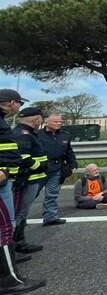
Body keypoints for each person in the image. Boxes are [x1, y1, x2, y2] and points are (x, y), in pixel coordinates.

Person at [0, 89, 46, 295]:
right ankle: (8, 280)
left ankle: (9, 262)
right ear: (11, 103)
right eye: (18, 103)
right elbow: (21, 155)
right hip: (10, 181)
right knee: (6, 226)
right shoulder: (19, 131)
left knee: (10, 223)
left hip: (10, 179)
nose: (19, 108)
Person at [12, 108, 48, 257]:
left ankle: (17, 243)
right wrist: (39, 166)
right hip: (27, 179)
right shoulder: (24, 134)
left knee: (20, 213)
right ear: (36, 119)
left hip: (30, 179)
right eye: (41, 119)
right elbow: (23, 156)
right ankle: (15, 245)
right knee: (19, 213)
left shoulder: (25, 133)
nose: (41, 122)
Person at [37, 113, 77, 225]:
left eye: (60, 121)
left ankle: (50, 217)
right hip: (39, 169)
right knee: (30, 195)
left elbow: (69, 152)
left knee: (52, 194)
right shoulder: (37, 135)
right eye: (55, 121)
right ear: (46, 122)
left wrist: (72, 165)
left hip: (56, 169)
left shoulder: (65, 135)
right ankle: (19, 218)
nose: (59, 123)